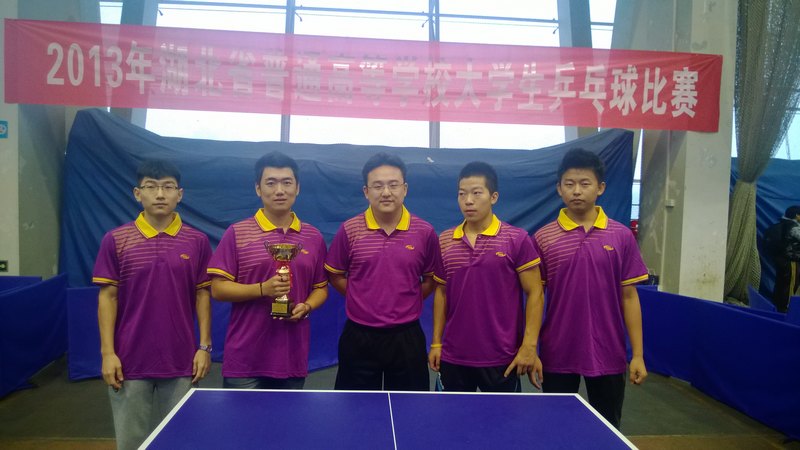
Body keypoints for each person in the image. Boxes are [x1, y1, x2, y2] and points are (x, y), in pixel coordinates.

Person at [93, 159, 212, 450]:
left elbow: (202, 295)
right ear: (138, 193)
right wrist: (108, 353)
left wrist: (204, 347)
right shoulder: (116, 240)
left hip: (182, 361)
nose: (160, 194)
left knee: (181, 442)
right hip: (128, 362)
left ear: (179, 194)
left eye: (168, 187)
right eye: (151, 187)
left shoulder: (197, 241)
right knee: (131, 444)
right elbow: (107, 297)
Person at [532, 148, 649, 429]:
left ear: (600, 188)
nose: (577, 191)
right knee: (556, 429)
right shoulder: (543, 238)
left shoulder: (621, 236)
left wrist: (638, 355)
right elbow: (535, 298)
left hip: (608, 352)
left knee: (607, 429)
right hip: (557, 352)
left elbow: (629, 297)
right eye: (569, 184)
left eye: (585, 183)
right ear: (559, 188)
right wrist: (531, 349)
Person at [208, 151, 328, 389]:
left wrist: (307, 306)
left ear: (297, 188)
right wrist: (263, 289)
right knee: (242, 416)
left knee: (288, 415)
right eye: (271, 183)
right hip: (244, 360)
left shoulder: (313, 236)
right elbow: (218, 289)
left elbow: (320, 288)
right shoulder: (237, 233)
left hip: (292, 358)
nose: (279, 190)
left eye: (287, 182)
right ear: (258, 189)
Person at [325, 152, 439, 391]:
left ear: (405, 189)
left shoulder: (425, 232)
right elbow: (334, 275)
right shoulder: (349, 230)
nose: (386, 192)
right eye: (378, 186)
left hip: (407, 337)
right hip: (359, 336)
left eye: (393, 185)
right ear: (366, 192)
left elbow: (430, 279)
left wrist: (407, 299)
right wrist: (361, 296)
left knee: (410, 408)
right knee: (355, 408)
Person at [428, 162, 544, 392]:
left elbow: (535, 293)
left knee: (502, 416)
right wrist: (436, 343)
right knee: (451, 415)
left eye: (476, 193)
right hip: (454, 356)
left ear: (493, 197)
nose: (468, 200)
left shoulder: (517, 239)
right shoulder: (445, 241)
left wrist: (529, 346)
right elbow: (441, 293)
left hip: (502, 356)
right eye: (462, 194)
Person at [762, 205, 800, 312]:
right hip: (791, 262)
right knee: (790, 286)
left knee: (782, 284)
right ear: (797, 216)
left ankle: (778, 307)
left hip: (781, 260)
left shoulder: (782, 224)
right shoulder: (793, 227)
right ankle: (786, 309)